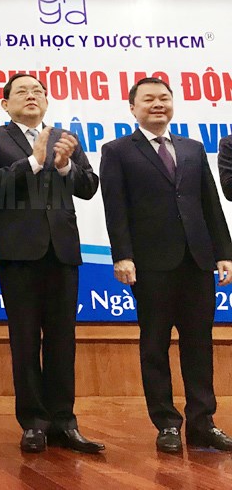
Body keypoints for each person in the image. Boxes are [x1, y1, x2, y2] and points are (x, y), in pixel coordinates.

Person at [102, 77, 232, 453]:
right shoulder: (117, 150)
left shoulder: (193, 148)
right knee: (155, 345)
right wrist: (122, 255)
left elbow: (210, 203)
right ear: (133, 108)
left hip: (197, 260)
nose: (158, 104)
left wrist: (224, 252)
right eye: (149, 99)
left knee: (199, 344)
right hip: (150, 264)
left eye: (164, 98)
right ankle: (167, 423)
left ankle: (202, 422)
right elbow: (115, 208)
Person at [0, 73, 104, 454]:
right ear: (5, 104)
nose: (31, 96)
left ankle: (64, 421)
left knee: (63, 340)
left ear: (47, 100)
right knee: (25, 339)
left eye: (38, 91)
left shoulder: (65, 137)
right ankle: (33, 422)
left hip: (62, 251)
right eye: (22, 91)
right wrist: (33, 161)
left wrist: (65, 167)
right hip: (19, 253)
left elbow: (88, 187)